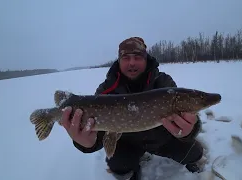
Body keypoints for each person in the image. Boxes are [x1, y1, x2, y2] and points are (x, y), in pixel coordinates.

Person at [60, 37, 206, 180]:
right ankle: (131, 168)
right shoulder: (106, 90)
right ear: (119, 60)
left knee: (195, 153)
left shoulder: (163, 82)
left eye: (137, 57)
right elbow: (98, 131)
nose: (132, 63)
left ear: (146, 59)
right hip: (127, 142)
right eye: (126, 57)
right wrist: (87, 144)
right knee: (118, 164)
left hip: (161, 139)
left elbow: (184, 116)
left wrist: (189, 130)